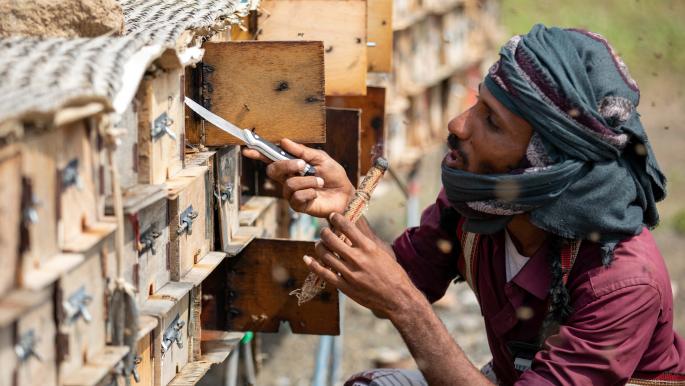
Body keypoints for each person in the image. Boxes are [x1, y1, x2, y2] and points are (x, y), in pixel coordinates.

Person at [243, 25, 685, 385]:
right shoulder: (480, 203)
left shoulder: (623, 284)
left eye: (490, 121)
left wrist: (407, 308)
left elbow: (400, 297)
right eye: (478, 102)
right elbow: (395, 284)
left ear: (543, 166)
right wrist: (346, 207)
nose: (458, 124)